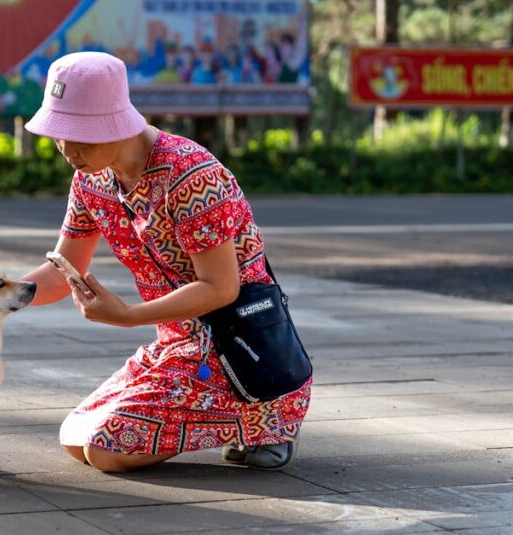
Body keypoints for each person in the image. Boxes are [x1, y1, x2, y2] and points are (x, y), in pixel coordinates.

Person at [20, 52, 312, 473]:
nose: (67, 149)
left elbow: (221, 288)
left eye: (78, 135)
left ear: (115, 122)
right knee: (76, 438)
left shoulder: (191, 175)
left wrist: (127, 315)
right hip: (176, 346)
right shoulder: (91, 180)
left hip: (237, 351)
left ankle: (266, 419)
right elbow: (64, 268)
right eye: (58, 134)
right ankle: (242, 424)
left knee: (105, 452)